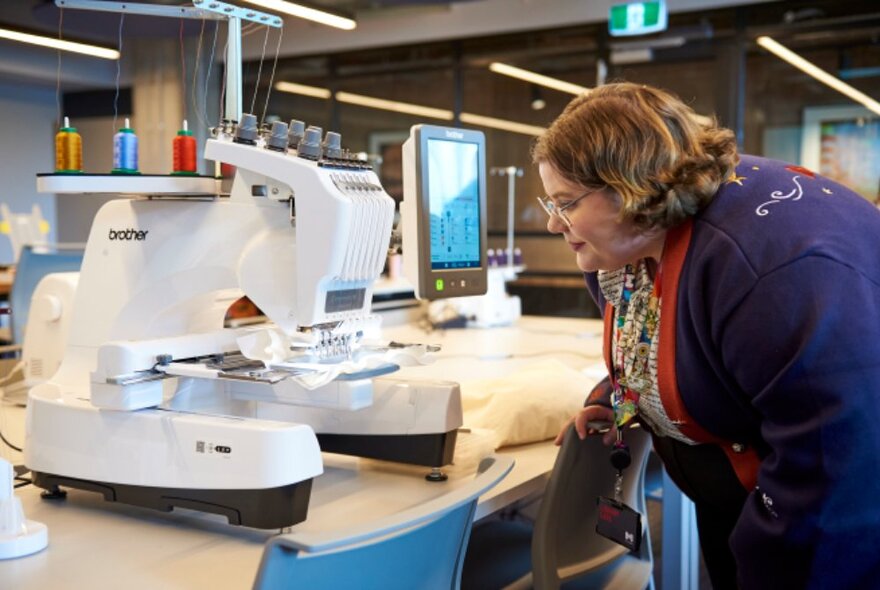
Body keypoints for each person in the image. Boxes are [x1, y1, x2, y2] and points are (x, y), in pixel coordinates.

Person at [533, 82, 880, 589]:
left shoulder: (767, 272)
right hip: (737, 482)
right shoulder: (624, 247)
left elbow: (831, 472)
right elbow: (663, 328)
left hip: (829, 508)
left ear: (631, 188)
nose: (551, 223)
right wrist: (625, 395)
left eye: (566, 204)